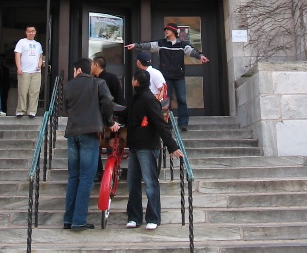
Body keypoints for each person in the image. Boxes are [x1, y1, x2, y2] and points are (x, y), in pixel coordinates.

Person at [63, 58, 120, 231]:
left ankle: (68, 218)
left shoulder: (69, 86)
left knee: (73, 177)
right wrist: (110, 122)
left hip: (72, 132)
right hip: (89, 132)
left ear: (78, 70)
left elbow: (66, 106)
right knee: (86, 177)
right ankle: (79, 220)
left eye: (74, 70)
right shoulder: (98, 83)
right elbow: (108, 102)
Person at [124, 69, 183, 230]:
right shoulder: (135, 99)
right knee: (133, 183)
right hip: (135, 146)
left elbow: (160, 123)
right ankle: (134, 217)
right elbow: (126, 116)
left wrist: (172, 146)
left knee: (150, 183)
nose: (132, 82)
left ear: (136, 81)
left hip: (147, 146)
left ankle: (153, 218)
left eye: (133, 79)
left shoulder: (148, 100)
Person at [125, 22, 209, 131]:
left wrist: (200, 56)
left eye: (168, 30)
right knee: (165, 101)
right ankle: (167, 123)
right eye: (165, 30)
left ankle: (183, 124)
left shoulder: (182, 45)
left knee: (182, 99)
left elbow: (192, 51)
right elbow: (149, 45)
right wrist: (136, 45)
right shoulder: (161, 43)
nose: (166, 31)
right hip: (165, 77)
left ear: (174, 31)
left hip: (179, 76)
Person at [14, 26, 43, 118]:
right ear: (26, 32)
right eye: (29, 31)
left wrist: (40, 64)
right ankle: (21, 110)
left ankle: (32, 111)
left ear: (35, 32)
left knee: (34, 92)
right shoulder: (21, 42)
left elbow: (41, 56)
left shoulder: (38, 44)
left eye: (32, 31)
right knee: (22, 91)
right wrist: (19, 67)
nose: (31, 33)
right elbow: (17, 55)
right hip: (24, 71)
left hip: (36, 72)